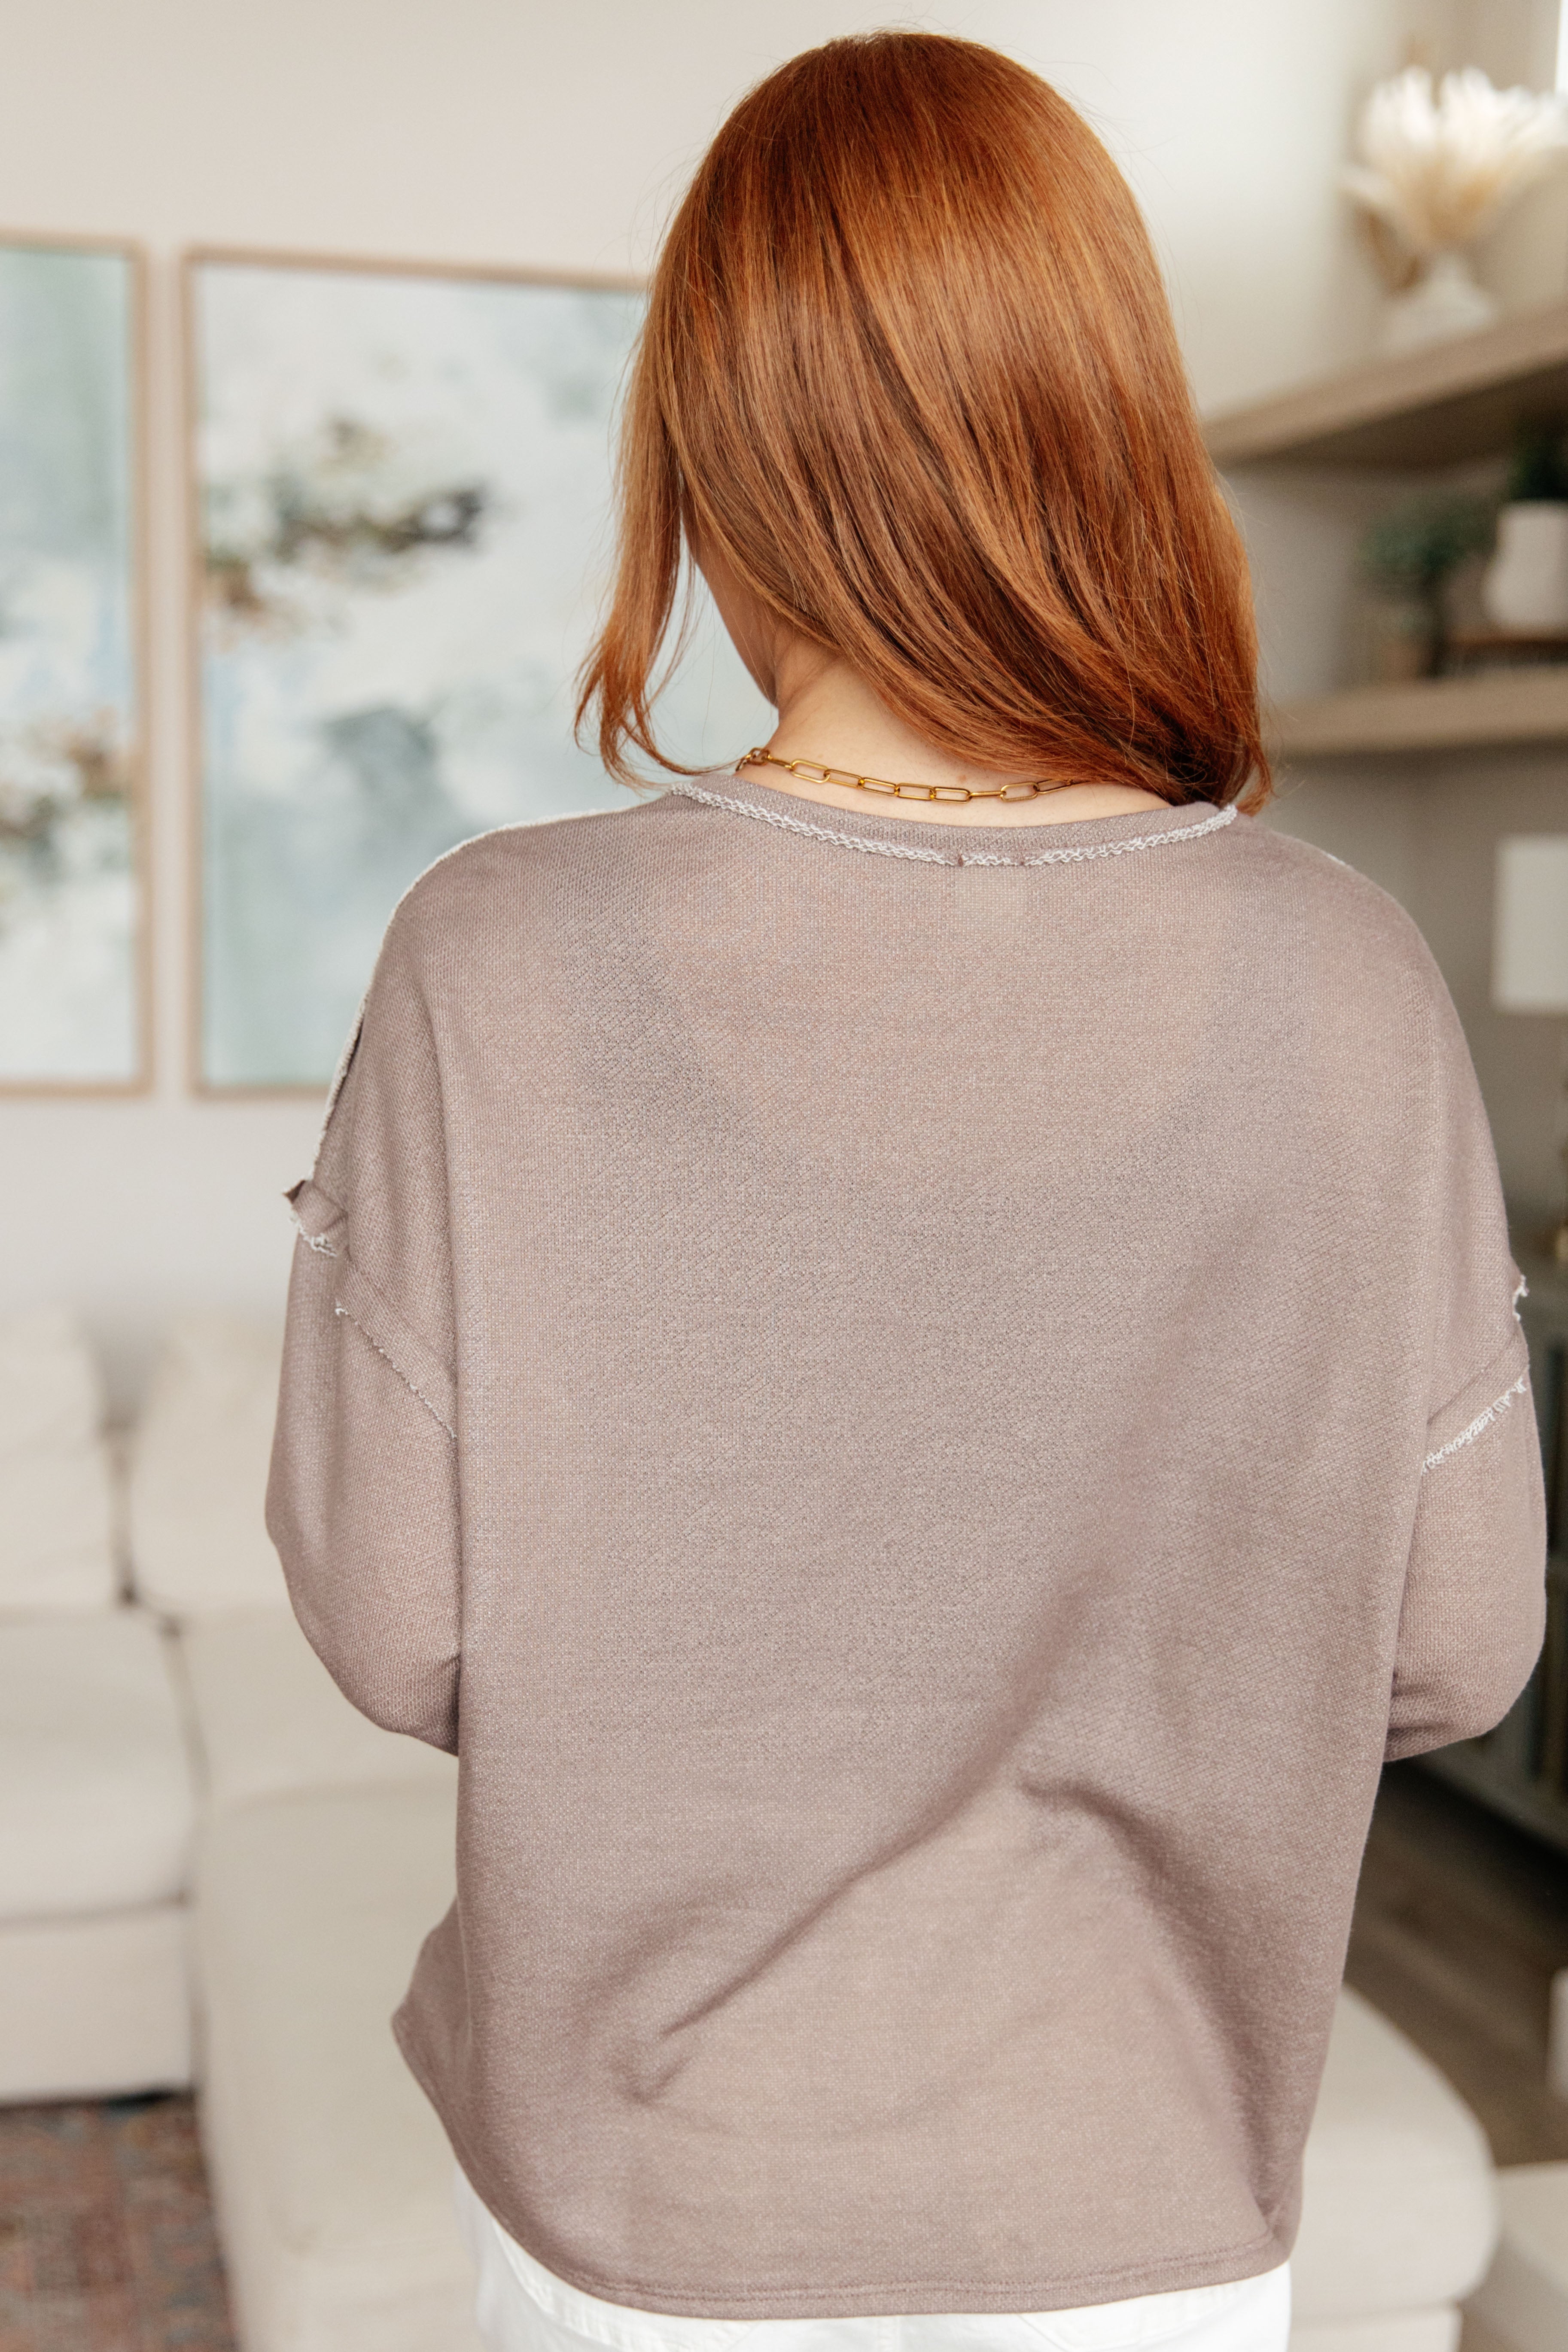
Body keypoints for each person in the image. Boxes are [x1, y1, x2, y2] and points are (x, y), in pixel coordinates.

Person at [266, 31, 1547, 2352]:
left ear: (713, 450)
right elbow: (1456, 1645)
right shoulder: (1346, 983)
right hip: (1151, 2215)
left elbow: (389, 1619)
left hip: (639, 2216)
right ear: (1105, 421)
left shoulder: (491, 960)